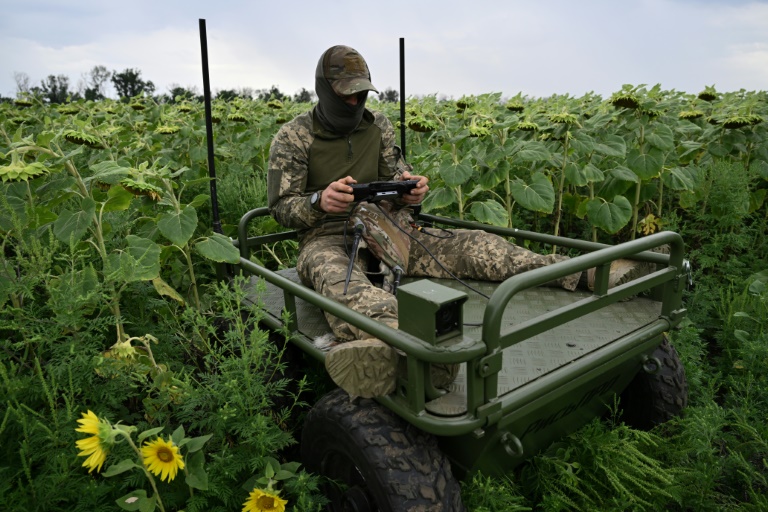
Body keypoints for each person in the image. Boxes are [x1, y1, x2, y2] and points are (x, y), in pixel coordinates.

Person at [267, 45, 646, 399]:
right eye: (345, 95)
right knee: (339, 281)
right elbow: (281, 206)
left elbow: (396, 176)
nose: (354, 102)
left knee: (478, 246)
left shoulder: (377, 126)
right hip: (327, 237)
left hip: (388, 228)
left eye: (360, 93)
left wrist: (409, 191)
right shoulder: (294, 137)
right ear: (325, 90)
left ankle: (586, 274)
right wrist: (319, 201)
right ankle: (406, 345)